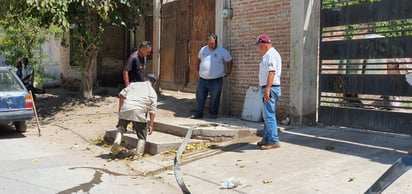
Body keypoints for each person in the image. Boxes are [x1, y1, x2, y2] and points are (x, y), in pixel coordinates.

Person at [111, 74, 158, 159]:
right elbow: (152, 111)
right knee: (142, 136)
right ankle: (138, 154)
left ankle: (117, 140)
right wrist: (151, 125)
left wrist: (120, 110)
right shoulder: (152, 92)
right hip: (139, 111)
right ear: (154, 84)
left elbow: (121, 95)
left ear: (145, 79)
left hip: (126, 108)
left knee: (121, 127)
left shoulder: (134, 84)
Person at [190, 33, 233, 119]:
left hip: (216, 80)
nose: (211, 45)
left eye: (212, 43)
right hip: (203, 79)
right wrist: (197, 68)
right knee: (200, 97)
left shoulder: (221, 51)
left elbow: (230, 60)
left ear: (216, 42)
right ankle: (198, 113)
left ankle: (212, 114)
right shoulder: (203, 50)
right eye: (209, 43)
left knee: (215, 98)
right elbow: (198, 59)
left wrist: (228, 71)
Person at [255, 34, 282, 150]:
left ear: (263, 44)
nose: (258, 48)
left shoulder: (270, 55)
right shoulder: (269, 54)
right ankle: (266, 138)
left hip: (270, 88)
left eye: (258, 46)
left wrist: (267, 90)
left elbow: (272, 72)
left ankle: (273, 140)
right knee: (267, 115)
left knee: (269, 115)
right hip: (270, 88)